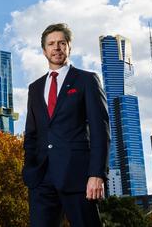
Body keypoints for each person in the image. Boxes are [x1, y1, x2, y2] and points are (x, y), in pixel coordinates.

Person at [22, 23, 109, 226]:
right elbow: (31, 133)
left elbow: (100, 130)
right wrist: (29, 168)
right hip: (41, 179)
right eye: (51, 44)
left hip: (77, 176)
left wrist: (96, 174)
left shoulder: (86, 80)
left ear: (69, 47)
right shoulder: (34, 88)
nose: (57, 48)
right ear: (44, 50)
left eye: (62, 43)